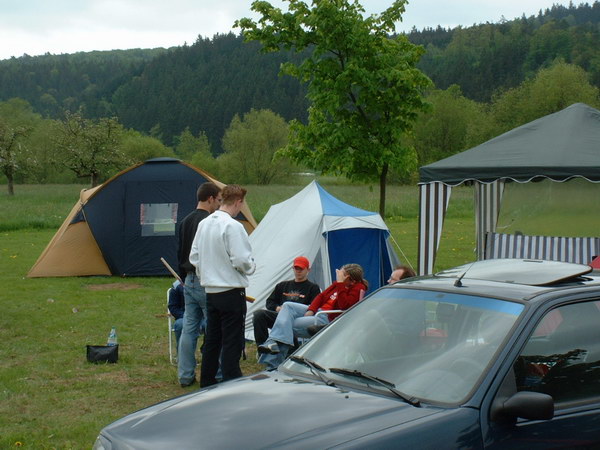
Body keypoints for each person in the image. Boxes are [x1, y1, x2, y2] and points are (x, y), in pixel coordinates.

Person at [190, 184, 256, 387]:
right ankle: (231, 382)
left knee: (212, 340)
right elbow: (241, 260)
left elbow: (194, 257)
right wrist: (251, 266)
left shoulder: (205, 223)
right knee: (232, 341)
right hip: (230, 291)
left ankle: (207, 382)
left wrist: (206, 273)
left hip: (211, 291)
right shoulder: (233, 226)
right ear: (238, 202)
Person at [257, 263, 367, 369]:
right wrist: (311, 309)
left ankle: (273, 359)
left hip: (326, 317)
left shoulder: (358, 288)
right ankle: (273, 345)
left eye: (340, 274)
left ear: (348, 277)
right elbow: (321, 296)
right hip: (318, 311)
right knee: (287, 306)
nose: (338, 275)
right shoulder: (337, 285)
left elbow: (344, 306)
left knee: (286, 326)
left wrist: (340, 284)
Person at [176, 182, 222, 388]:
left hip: (188, 279)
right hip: (205, 280)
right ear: (210, 198)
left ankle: (185, 375)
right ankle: (218, 373)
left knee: (189, 328)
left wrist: (182, 278)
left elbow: (180, 252)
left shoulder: (185, 221)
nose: (219, 205)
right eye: (218, 200)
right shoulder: (209, 222)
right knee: (215, 328)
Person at [252, 256, 321, 345]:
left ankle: (290, 346)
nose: (298, 271)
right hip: (280, 316)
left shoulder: (313, 288)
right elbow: (269, 302)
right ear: (293, 268)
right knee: (258, 314)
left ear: (308, 270)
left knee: (287, 311)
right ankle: (264, 347)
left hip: (299, 319)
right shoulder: (282, 285)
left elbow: (314, 306)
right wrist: (277, 308)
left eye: (301, 269)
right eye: (296, 268)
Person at [168, 280, 185, 346]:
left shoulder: (208, 281)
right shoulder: (177, 286)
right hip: (184, 318)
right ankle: (182, 355)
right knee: (180, 325)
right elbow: (173, 307)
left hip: (204, 317)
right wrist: (184, 316)